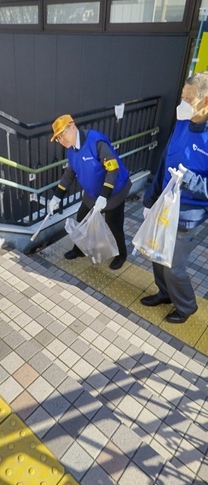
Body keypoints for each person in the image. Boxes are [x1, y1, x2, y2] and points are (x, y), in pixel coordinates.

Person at [141, 71, 208, 324]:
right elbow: (164, 162)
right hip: (164, 204)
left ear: (206, 101)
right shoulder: (182, 122)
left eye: (188, 99)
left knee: (173, 266)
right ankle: (165, 293)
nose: (182, 103)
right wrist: (149, 200)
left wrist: (190, 179)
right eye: (182, 96)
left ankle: (186, 306)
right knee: (156, 253)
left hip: (188, 213)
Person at [49, 114, 132, 270]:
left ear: (72, 127)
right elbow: (70, 173)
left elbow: (113, 168)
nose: (62, 140)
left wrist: (104, 195)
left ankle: (121, 255)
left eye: (62, 134)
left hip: (114, 190)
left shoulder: (96, 141)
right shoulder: (71, 149)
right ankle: (79, 250)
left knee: (114, 225)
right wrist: (57, 197)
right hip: (92, 193)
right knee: (82, 219)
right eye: (58, 138)